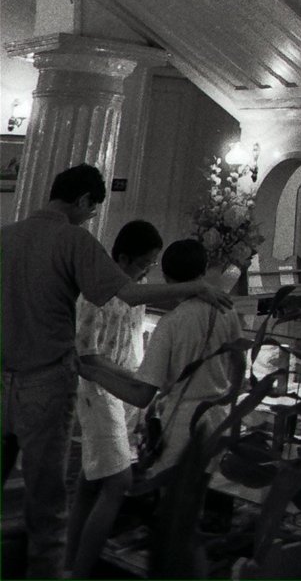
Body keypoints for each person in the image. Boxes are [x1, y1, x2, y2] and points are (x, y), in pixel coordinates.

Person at [0, 164, 231, 580]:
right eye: (91, 210)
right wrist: (194, 287)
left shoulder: (6, 235)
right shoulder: (73, 239)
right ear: (84, 200)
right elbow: (128, 292)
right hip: (46, 382)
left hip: (3, 377)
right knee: (46, 504)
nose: (90, 218)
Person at [79, 238, 242, 480]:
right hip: (219, 417)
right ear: (204, 270)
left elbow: (141, 395)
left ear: (166, 278)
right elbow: (239, 363)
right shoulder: (227, 311)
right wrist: (231, 399)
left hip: (182, 423)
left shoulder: (171, 324)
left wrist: (92, 372)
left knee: (173, 501)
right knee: (202, 496)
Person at [65, 219, 164, 579]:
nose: (146, 273)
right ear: (122, 258)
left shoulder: (134, 293)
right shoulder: (96, 293)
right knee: (117, 483)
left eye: (151, 266)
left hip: (121, 393)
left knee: (91, 483)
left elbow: (132, 343)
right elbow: (87, 355)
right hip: (98, 391)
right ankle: (81, 569)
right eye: (143, 265)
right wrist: (137, 378)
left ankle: (69, 563)